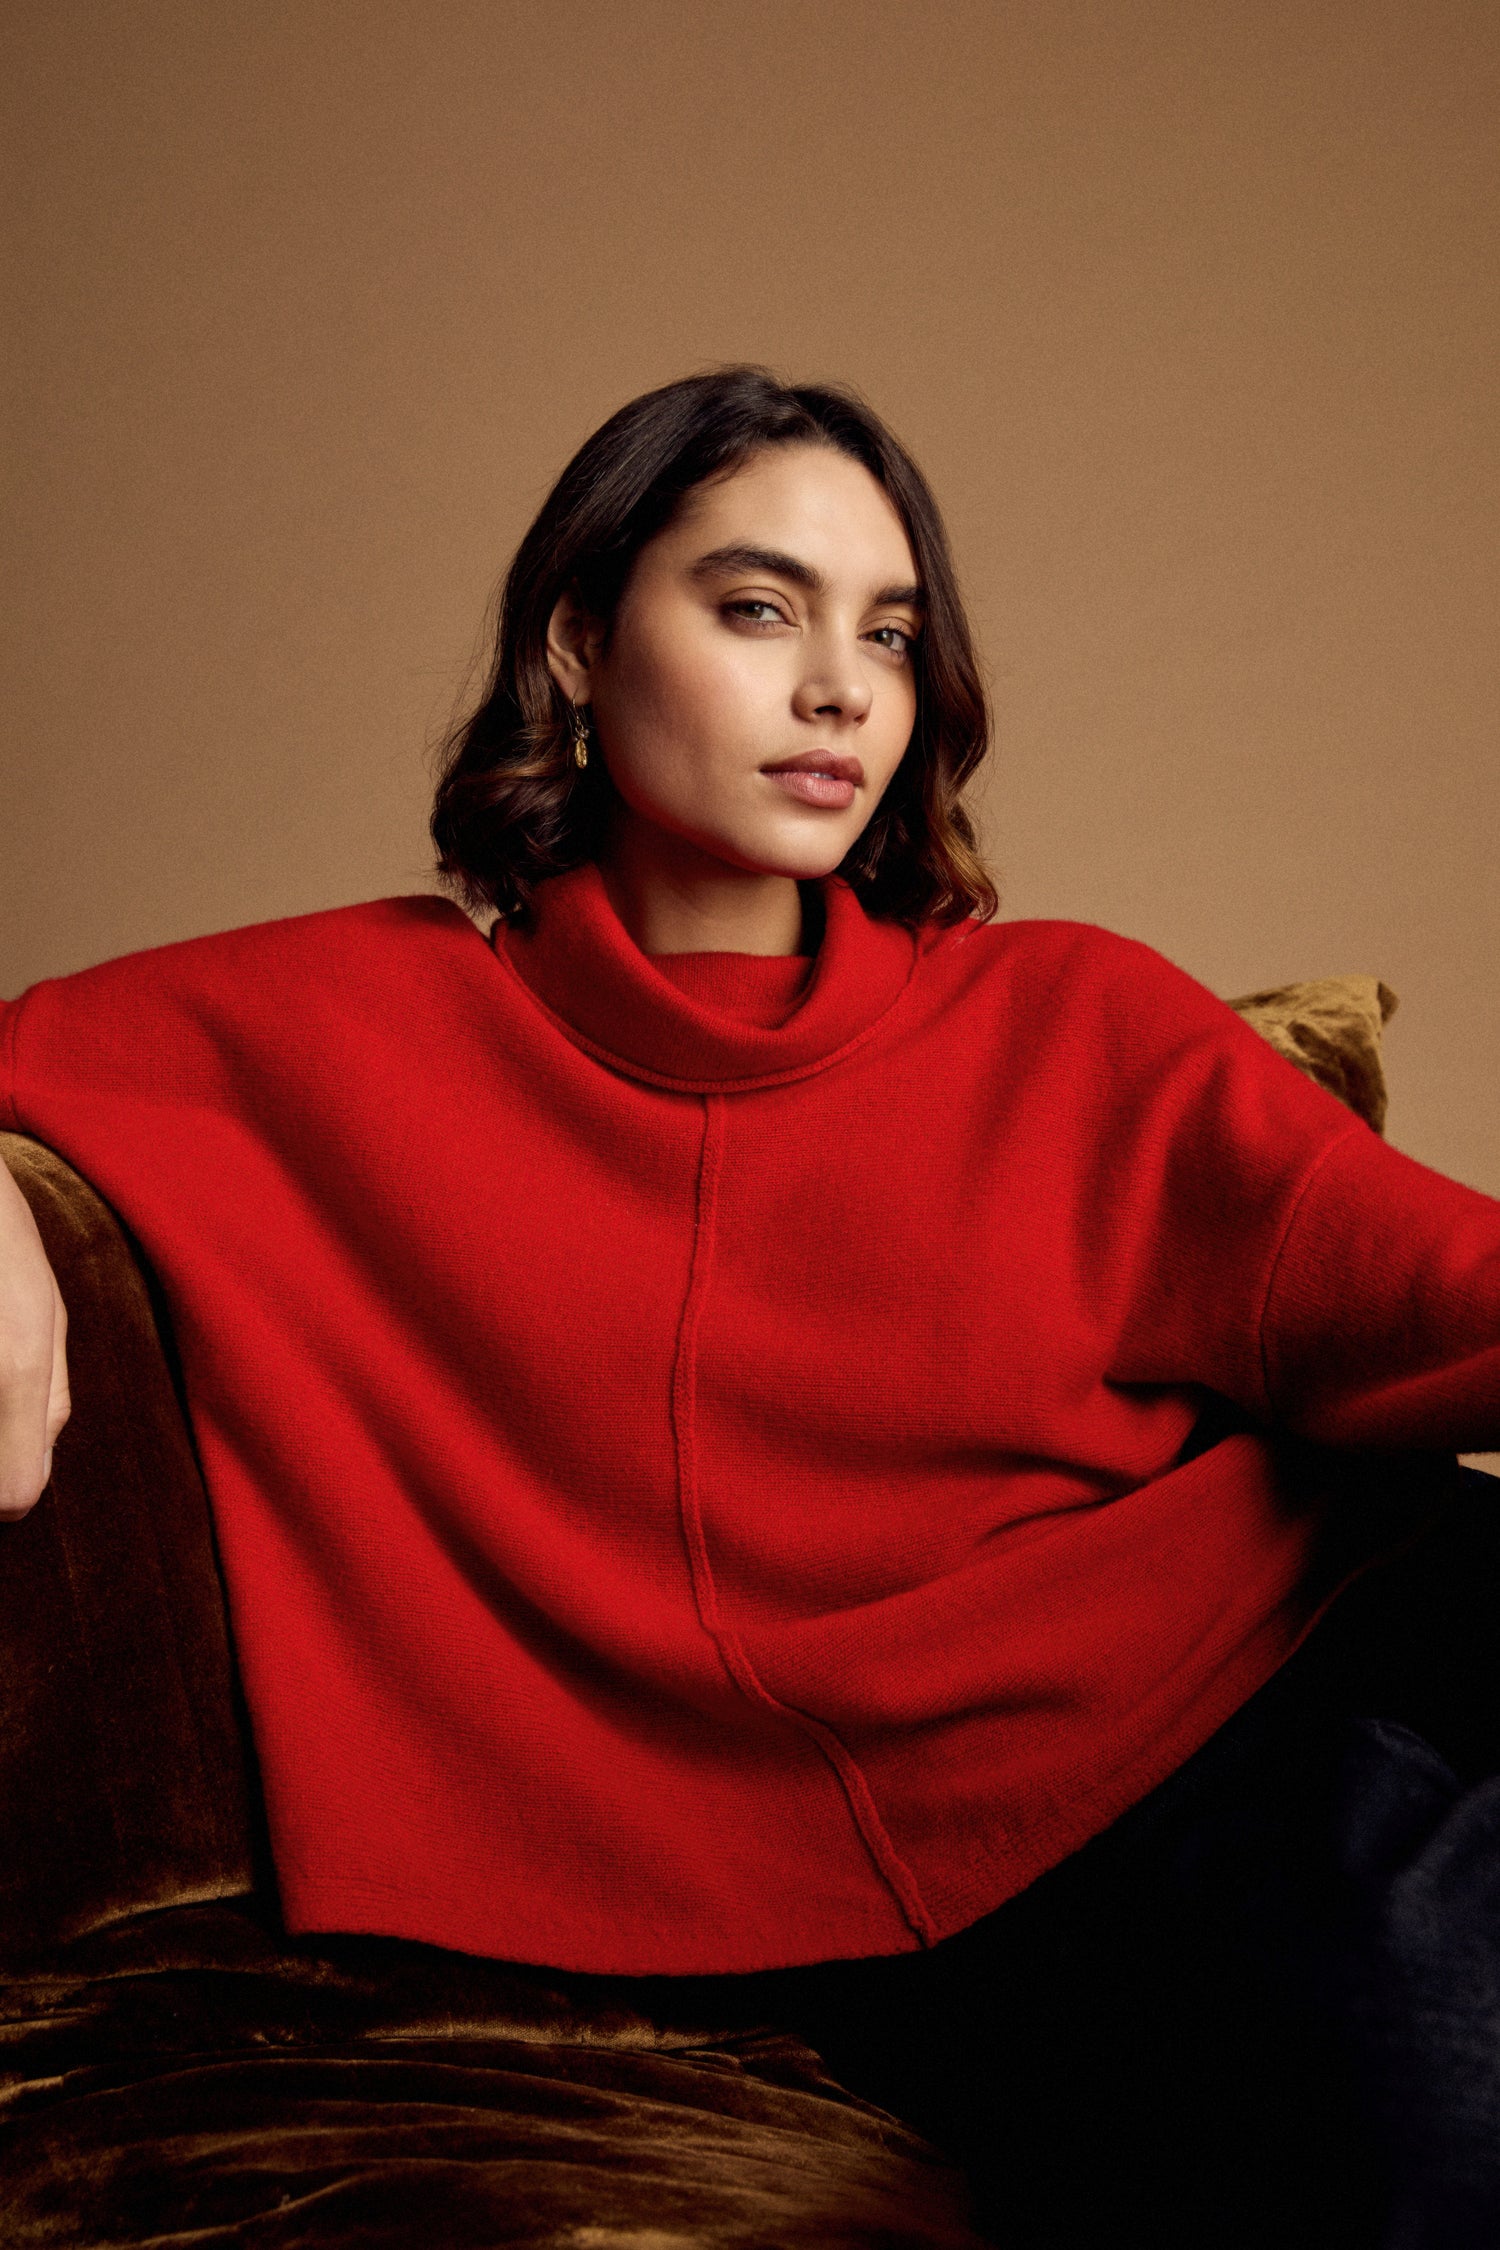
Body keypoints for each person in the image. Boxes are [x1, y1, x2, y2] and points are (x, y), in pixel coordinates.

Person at [2, 366, 1499, 2246]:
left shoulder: (1073, 1020)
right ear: (577, 636)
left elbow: (1436, 1281)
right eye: (756, 607)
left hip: (1290, 1699)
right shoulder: (341, 1029)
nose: (839, 690)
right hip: (951, 1911)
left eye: (887, 632)